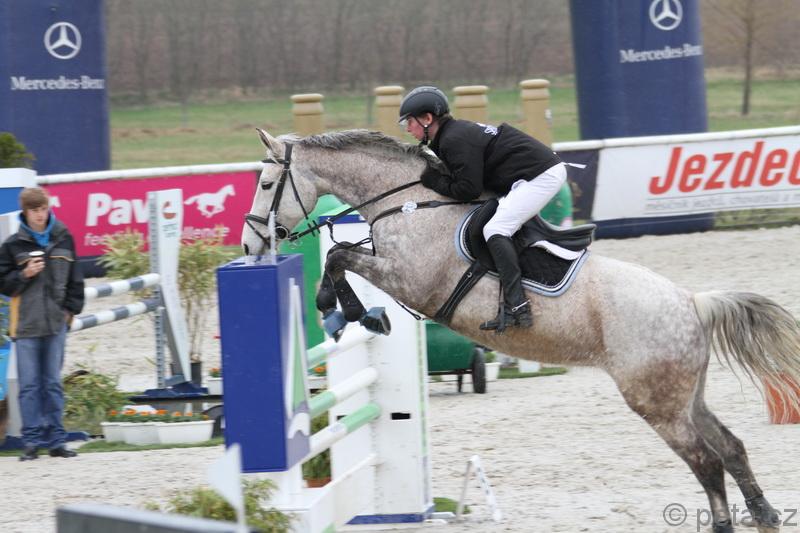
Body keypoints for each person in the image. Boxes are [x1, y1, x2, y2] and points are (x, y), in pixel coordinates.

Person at [398, 86, 567, 333]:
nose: (407, 129)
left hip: (540, 176)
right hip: (530, 174)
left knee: (495, 229)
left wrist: (433, 181)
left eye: (410, 122)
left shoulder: (453, 139)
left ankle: (518, 305)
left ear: (427, 118)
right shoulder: (449, 135)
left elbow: (469, 189)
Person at [0, 187, 84, 461]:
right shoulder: (12, 245)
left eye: (43, 209)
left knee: (52, 384)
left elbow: (76, 280)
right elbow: (3, 285)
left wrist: (70, 311)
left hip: (56, 324)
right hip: (25, 327)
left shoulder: (64, 237)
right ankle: (31, 442)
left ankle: (57, 441)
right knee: (29, 386)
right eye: (34, 210)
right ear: (25, 212)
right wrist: (24, 274)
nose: (40, 215)